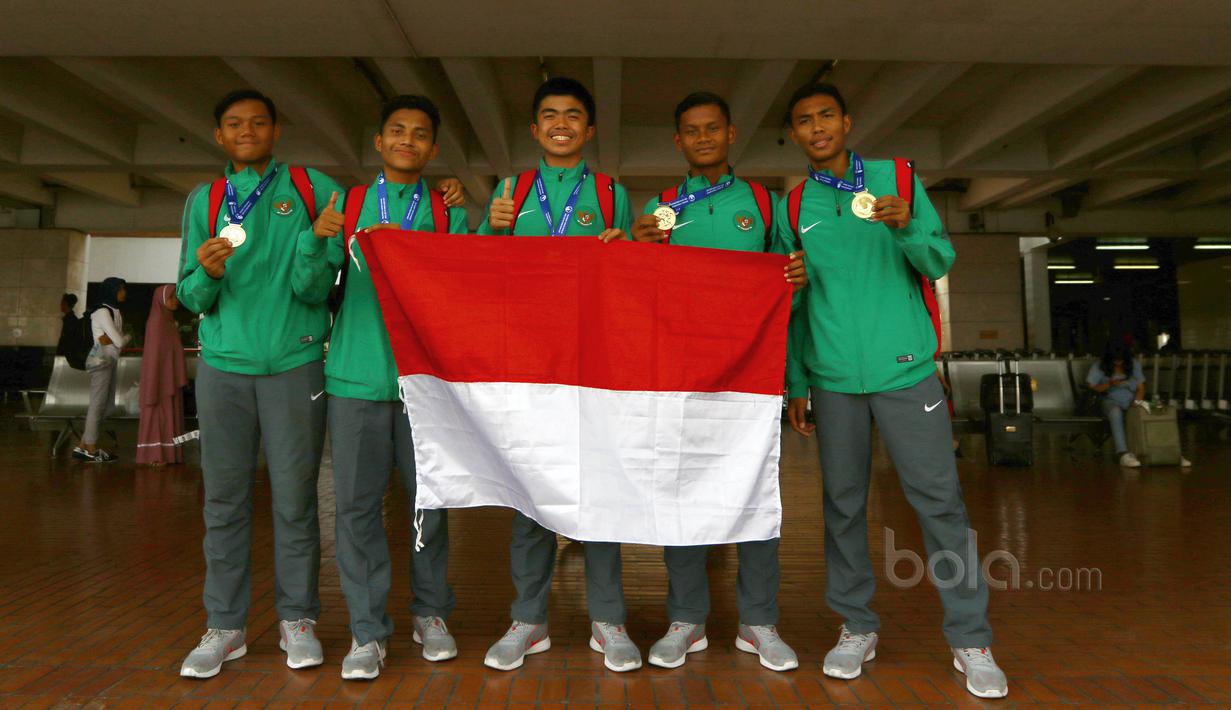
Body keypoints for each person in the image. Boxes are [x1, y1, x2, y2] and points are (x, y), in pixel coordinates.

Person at [781, 82, 1008, 699]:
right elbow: (795, 301)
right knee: (843, 507)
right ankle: (856, 626)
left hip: (906, 370)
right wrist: (796, 380)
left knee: (940, 503)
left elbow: (939, 262)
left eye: (826, 115)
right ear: (794, 135)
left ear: (847, 121)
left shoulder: (897, 178)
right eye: (804, 121)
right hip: (832, 379)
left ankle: (971, 638)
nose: (817, 127)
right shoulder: (793, 202)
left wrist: (908, 226)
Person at [629, 91, 805, 672]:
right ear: (678, 141)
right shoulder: (659, 207)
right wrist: (635, 249)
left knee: (754, 495)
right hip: (679, 377)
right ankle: (686, 620)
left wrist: (794, 376)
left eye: (713, 129)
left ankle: (759, 623)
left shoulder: (763, 202)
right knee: (680, 495)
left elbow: (788, 291)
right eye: (691, 131)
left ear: (731, 135)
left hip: (751, 379)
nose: (703, 138)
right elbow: (639, 293)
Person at [176, 89, 345, 679]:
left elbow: (316, 291)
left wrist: (313, 241)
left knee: (296, 502)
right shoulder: (205, 198)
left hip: (295, 364)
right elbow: (189, 296)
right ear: (219, 136)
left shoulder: (314, 189)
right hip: (223, 367)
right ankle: (225, 627)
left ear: (276, 130)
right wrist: (209, 271)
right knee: (223, 503)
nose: (245, 131)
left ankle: (297, 620)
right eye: (233, 124)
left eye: (257, 123)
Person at [477, 76, 637, 673]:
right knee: (529, 497)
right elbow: (483, 279)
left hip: (593, 365)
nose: (561, 123)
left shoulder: (611, 191)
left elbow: (624, 278)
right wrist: (490, 231)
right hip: (527, 368)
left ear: (589, 130)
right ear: (534, 129)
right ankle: (528, 620)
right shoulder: (510, 191)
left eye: (573, 114)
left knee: (598, 492)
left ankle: (608, 620)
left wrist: (621, 249)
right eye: (549, 114)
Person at [324, 95, 469, 680]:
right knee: (356, 509)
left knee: (428, 503)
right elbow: (312, 286)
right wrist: (316, 239)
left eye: (420, 134)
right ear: (379, 143)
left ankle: (431, 613)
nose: (408, 140)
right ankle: (366, 631)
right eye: (396, 131)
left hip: (426, 385)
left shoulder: (445, 211)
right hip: (356, 375)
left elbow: (467, 288)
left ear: (432, 149)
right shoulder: (349, 204)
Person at [1086, 342, 1191, 468]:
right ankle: (1123, 453)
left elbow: (1141, 388)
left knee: (1160, 409)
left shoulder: (1134, 364)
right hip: (1110, 400)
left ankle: (1172, 452)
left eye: (1121, 360)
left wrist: (1136, 402)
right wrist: (1110, 384)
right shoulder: (1099, 366)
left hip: (1133, 399)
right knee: (1115, 412)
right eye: (1115, 360)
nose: (1119, 363)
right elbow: (1092, 387)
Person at [72, 278, 127, 463]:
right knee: (98, 404)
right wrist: (125, 337)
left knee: (108, 406)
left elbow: (114, 341)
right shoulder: (102, 312)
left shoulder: (114, 311)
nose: (124, 293)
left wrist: (114, 339)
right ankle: (91, 447)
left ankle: (83, 445)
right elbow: (119, 342)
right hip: (100, 360)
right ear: (112, 291)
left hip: (110, 360)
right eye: (121, 289)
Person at [136, 285, 188, 466]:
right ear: (161, 299)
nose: (176, 301)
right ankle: (155, 455)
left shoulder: (168, 321)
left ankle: (169, 454)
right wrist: (153, 382)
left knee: (168, 414)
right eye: (172, 298)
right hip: (158, 381)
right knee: (159, 415)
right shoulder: (157, 322)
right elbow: (154, 357)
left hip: (168, 379)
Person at [56, 293, 81, 357]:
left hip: (66, 354)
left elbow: (67, 340)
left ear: (65, 303)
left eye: (62, 303)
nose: (60, 305)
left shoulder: (70, 320)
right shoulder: (72, 319)